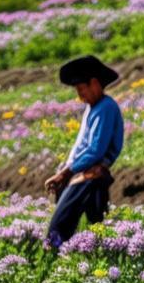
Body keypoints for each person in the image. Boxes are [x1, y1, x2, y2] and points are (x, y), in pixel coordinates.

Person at [45, 55, 125, 249]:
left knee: (58, 230)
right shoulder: (94, 108)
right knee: (96, 230)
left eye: (82, 89)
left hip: (88, 176)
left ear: (95, 83)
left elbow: (95, 150)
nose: (80, 96)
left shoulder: (105, 107)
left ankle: (51, 264)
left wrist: (65, 173)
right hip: (84, 175)